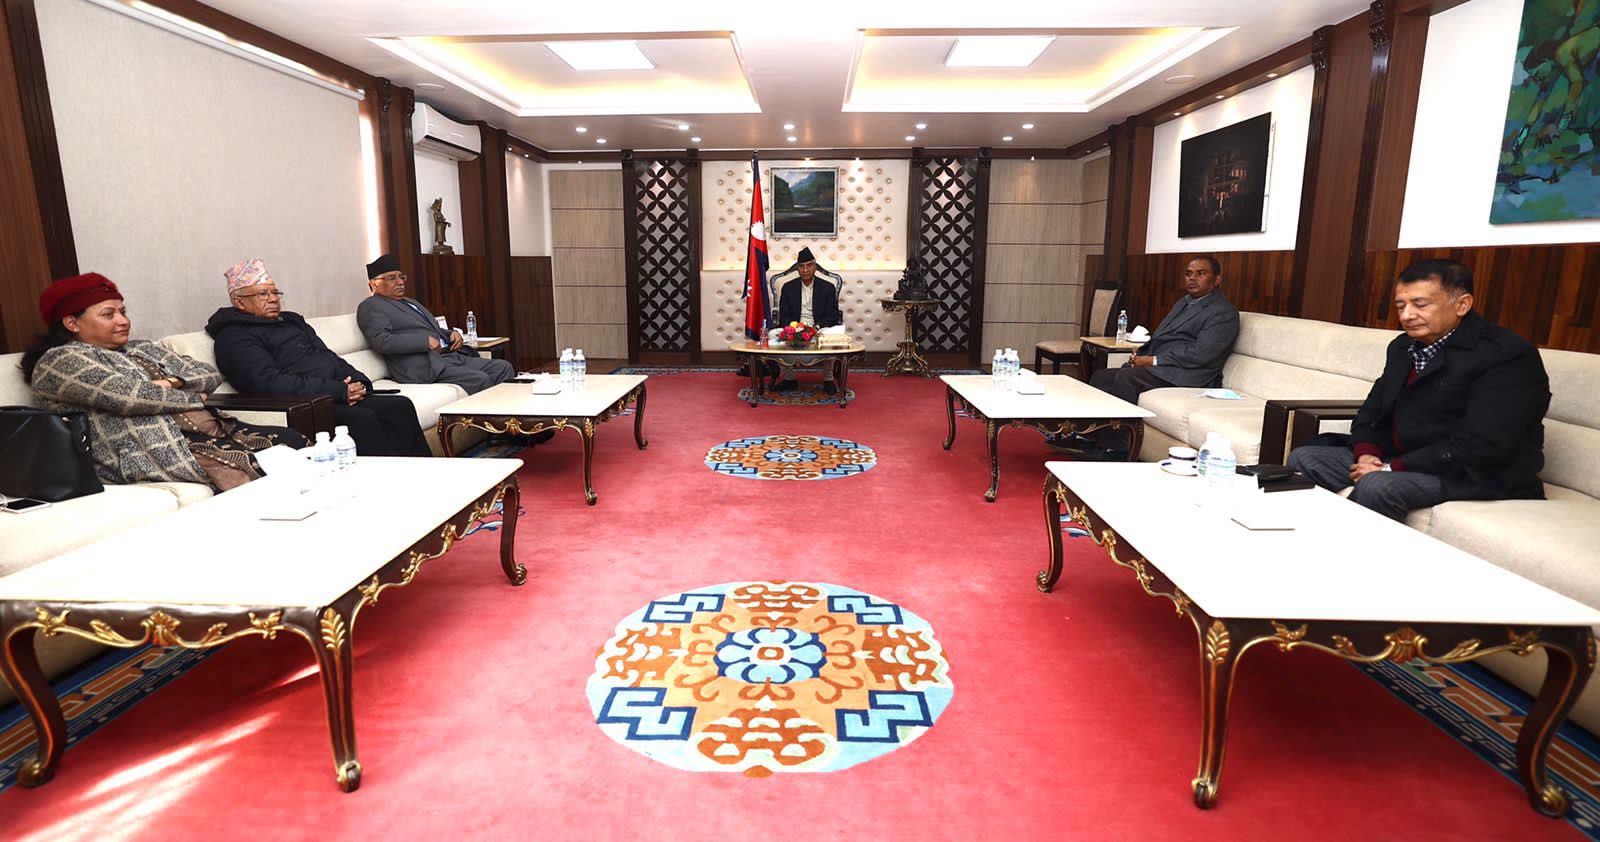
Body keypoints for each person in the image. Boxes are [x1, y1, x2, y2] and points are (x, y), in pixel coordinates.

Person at [1288, 259, 1550, 521]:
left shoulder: (1506, 355)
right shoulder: (1402, 347)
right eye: (1400, 306)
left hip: (1472, 472)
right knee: (1306, 459)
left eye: (1420, 305)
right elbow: (1372, 411)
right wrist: (1367, 454)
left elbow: (1482, 444)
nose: (1406, 316)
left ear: (1462, 304)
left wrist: (1390, 469)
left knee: (1377, 485)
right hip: (1404, 458)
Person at [22, 273, 304, 490]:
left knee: (295, 441)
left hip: (213, 431)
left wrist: (171, 382)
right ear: (72, 323)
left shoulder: (141, 348)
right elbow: (129, 397)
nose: (123, 321)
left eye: (123, 312)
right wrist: (193, 398)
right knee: (252, 469)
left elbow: (207, 373)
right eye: (109, 314)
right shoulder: (60, 361)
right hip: (150, 449)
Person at [205, 257, 430, 457]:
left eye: (275, 293)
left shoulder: (291, 321)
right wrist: (338, 391)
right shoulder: (234, 336)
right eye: (263, 294)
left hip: (335, 393)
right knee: (364, 418)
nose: (273, 299)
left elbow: (327, 356)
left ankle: (426, 474)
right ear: (239, 301)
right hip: (303, 405)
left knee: (399, 406)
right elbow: (267, 382)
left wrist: (358, 381)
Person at [1089, 255, 1240, 405]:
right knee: (1101, 377)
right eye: (1188, 274)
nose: (1192, 278)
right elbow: (1161, 336)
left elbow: (1201, 354)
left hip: (1189, 375)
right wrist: (1141, 354)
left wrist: (1154, 360)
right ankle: (1099, 421)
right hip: (1165, 368)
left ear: (1217, 279)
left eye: (1201, 273)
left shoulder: (1223, 312)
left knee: (1127, 377)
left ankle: (1126, 422)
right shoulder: (1184, 302)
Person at [356, 254, 513, 394]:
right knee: (480, 379)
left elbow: (432, 329)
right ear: (374, 283)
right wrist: (424, 342)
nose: (400, 282)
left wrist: (450, 334)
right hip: (424, 366)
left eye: (401, 277)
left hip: (448, 356)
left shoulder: (410, 302)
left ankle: (506, 416)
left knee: (502, 367)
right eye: (392, 278)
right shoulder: (371, 306)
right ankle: (486, 418)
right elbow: (382, 341)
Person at [775, 246, 843, 393]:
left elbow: (832, 316)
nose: (805, 270)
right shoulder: (788, 287)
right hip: (795, 328)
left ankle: (828, 378)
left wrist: (816, 328)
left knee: (830, 335)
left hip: (819, 328)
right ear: (797, 269)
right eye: (801, 266)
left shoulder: (827, 287)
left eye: (809, 265)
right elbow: (784, 315)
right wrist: (795, 329)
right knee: (774, 335)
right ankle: (789, 378)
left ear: (815, 267)